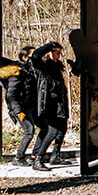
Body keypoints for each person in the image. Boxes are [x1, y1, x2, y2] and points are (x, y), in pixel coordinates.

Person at [30, 41, 70, 171]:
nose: (58, 56)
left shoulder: (57, 66)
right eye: (56, 53)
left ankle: (55, 156)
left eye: (60, 53)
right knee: (52, 131)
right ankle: (38, 159)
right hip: (49, 105)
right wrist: (49, 45)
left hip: (60, 103)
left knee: (62, 128)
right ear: (49, 52)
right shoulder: (42, 65)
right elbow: (35, 55)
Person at [3, 45, 38, 166]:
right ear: (24, 57)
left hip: (28, 106)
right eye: (32, 55)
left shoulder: (30, 70)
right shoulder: (16, 71)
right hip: (20, 108)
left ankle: (33, 156)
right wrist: (18, 111)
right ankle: (18, 158)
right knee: (29, 131)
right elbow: (11, 94)